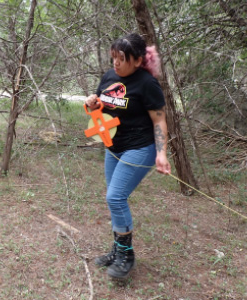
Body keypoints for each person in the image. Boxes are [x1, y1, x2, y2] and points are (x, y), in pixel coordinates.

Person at [85, 33, 171, 279]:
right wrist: (93, 103)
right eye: (114, 57)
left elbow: (159, 119)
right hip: (113, 147)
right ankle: (117, 250)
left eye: (122, 58)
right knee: (114, 200)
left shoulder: (146, 83)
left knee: (115, 197)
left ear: (137, 60)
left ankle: (126, 255)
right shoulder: (109, 77)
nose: (116, 63)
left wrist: (162, 153)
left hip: (140, 148)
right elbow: (103, 107)